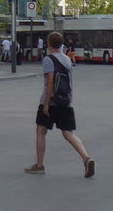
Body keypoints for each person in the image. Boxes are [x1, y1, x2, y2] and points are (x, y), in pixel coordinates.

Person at [25, 31, 94, 178]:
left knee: (41, 131)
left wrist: (46, 103)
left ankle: (39, 165)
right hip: (67, 102)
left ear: (48, 44)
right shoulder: (67, 59)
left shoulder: (49, 59)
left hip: (51, 102)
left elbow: (50, 81)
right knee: (68, 133)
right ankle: (86, 158)